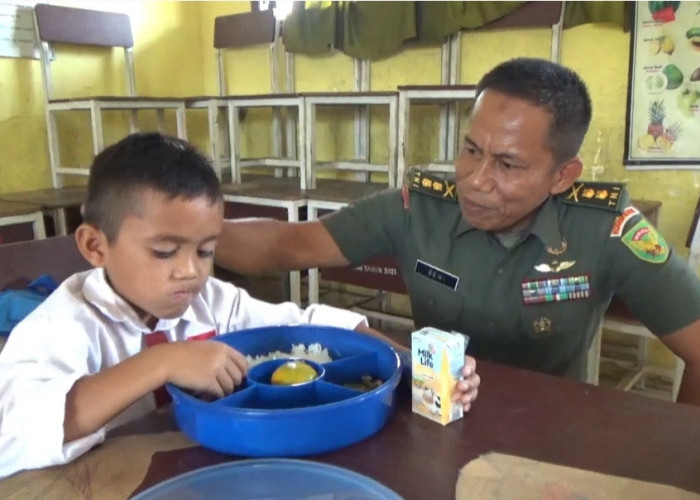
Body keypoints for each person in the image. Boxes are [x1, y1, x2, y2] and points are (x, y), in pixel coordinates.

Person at [215, 57, 700, 406]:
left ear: (561, 176)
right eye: (471, 150)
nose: (475, 179)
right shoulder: (418, 210)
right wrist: (178, 239)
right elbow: (286, 243)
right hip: (432, 414)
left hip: (548, 430)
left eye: (508, 164)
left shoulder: (607, 229)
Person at [0, 133, 475, 479]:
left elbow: (304, 324)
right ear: (95, 246)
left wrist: (418, 365)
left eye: (206, 250)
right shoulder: (61, 325)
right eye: (165, 252)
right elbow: (20, 432)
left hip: (199, 476)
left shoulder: (211, 301)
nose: (191, 271)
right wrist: (161, 362)